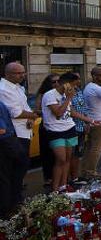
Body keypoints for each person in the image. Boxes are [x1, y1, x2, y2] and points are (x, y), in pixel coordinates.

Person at [0, 62, 37, 202]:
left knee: (20, 169)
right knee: (15, 170)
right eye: (18, 73)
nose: (23, 75)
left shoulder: (18, 88)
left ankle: (15, 198)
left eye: (23, 72)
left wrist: (31, 118)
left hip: (24, 131)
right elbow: (15, 112)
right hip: (15, 135)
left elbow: (25, 108)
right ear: (8, 74)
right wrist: (33, 115)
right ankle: (12, 202)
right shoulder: (4, 89)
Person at [41, 72, 82, 190]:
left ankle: (63, 185)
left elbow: (70, 112)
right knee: (61, 159)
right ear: (65, 84)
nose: (74, 88)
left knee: (68, 159)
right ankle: (55, 188)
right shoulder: (50, 95)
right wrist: (69, 98)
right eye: (72, 85)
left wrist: (89, 120)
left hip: (69, 128)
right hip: (55, 131)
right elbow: (58, 113)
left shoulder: (65, 95)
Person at [0, 98, 26, 217]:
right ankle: (13, 204)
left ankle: (6, 209)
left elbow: (1, 130)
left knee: (4, 177)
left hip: (5, 143)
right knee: (10, 175)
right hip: (10, 142)